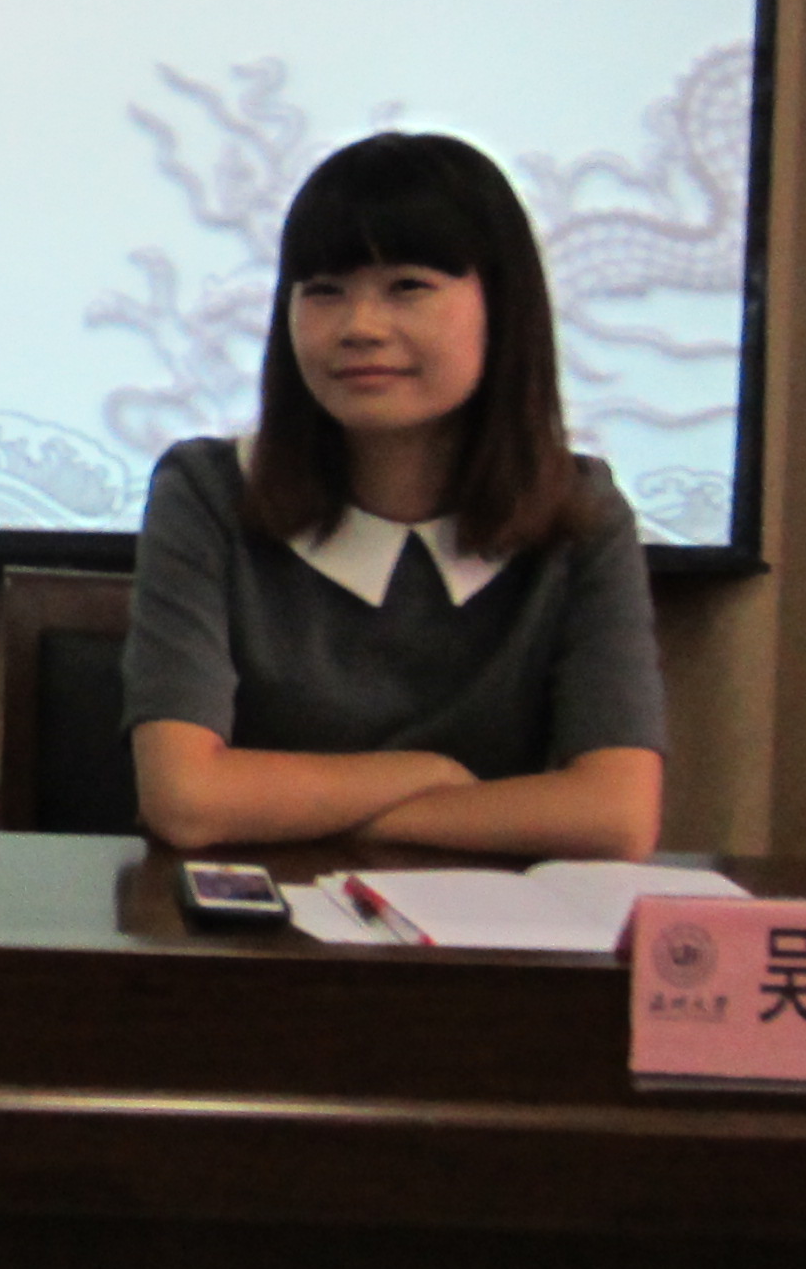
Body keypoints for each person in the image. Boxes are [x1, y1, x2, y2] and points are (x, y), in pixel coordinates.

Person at [120, 131, 664, 859]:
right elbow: (187, 801)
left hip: (489, 924)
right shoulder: (207, 493)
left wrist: (339, 814)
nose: (360, 328)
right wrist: (426, 776)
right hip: (253, 920)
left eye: (408, 286)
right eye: (324, 291)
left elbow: (615, 816)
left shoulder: (581, 511)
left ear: (502, 307)